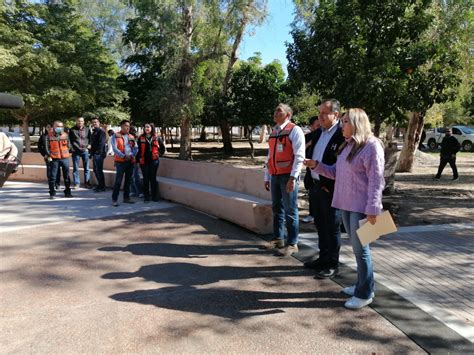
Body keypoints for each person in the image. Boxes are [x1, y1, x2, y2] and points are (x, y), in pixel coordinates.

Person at [304, 108, 384, 309]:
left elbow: (376, 181)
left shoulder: (372, 146)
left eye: (346, 121)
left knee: (361, 251)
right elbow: (335, 172)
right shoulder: (347, 146)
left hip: (361, 207)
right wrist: (316, 165)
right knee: (358, 251)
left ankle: (365, 293)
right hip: (345, 205)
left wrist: (373, 208)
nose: (342, 125)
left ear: (357, 123)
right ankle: (362, 285)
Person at [303, 99, 345, 279]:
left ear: (336, 114)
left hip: (331, 188)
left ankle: (332, 263)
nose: (319, 116)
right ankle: (323, 258)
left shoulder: (342, 135)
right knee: (320, 224)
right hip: (315, 186)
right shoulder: (318, 133)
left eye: (324, 113)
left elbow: (340, 166)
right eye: (319, 113)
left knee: (332, 227)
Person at [262, 103, 305, 257]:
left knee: (290, 210)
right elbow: (269, 156)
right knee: (276, 208)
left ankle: (292, 243)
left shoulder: (295, 130)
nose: (275, 112)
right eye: (275, 110)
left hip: (288, 176)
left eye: (279, 111)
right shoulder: (274, 131)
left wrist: (293, 177)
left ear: (288, 114)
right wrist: (267, 176)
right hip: (275, 175)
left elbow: (300, 156)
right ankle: (278, 239)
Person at [111, 119, 138, 206]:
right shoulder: (115, 136)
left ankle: (126, 198)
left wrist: (132, 155)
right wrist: (123, 155)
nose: (128, 128)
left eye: (129, 126)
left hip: (130, 161)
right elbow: (115, 149)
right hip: (120, 162)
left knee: (128, 180)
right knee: (118, 181)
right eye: (126, 126)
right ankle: (114, 199)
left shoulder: (131, 136)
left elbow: (135, 148)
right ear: (122, 126)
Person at [137, 123, 166, 202]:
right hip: (144, 161)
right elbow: (138, 150)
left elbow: (162, 148)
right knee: (145, 179)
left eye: (148, 127)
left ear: (152, 128)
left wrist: (158, 154)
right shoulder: (141, 138)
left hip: (154, 161)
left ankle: (154, 196)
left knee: (153, 178)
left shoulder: (157, 137)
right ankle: (146, 197)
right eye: (145, 127)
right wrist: (137, 160)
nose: (146, 128)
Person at [45, 121, 73, 199]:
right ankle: (52, 193)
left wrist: (68, 152)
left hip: (65, 158)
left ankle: (67, 191)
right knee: (53, 177)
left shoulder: (65, 135)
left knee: (66, 176)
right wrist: (49, 155)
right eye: (57, 126)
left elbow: (69, 145)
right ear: (53, 126)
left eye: (61, 126)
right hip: (54, 159)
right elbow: (46, 147)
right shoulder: (48, 136)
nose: (59, 128)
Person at [302, 116, 321, 224]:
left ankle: (318, 215)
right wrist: (310, 143)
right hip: (310, 170)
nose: (319, 127)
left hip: (322, 170)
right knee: (312, 193)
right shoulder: (308, 137)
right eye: (317, 125)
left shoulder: (324, 136)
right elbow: (300, 150)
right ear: (311, 127)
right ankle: (312, 214)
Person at [69, 116, 92, 189]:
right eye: (78, 121)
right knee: (76, 168)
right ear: (76, 121)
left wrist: (89, 145)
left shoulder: (87, 129)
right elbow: (69, 141)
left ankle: (87, 183)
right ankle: (77, 183)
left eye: (81, 121)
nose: (80, 122)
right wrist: (72, 149)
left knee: (87, 168)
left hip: (85, 150)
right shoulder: (72, 130)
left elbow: (90, 139)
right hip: (76, 151)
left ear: (83, 122)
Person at [38, 125, 61, 190]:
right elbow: (40, 147)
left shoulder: (56, 135)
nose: (49, 128)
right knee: (49, 169)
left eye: (50, 127)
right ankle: (51, 184)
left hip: (56, 155)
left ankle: (57, 183)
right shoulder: (43, 136)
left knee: (57, 170)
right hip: (48, 156)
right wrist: (44, 154)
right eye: (47, 127)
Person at [90, 117, 107, 192]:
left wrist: (98, 153)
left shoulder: (101, 132)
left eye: (95, 122)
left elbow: (102, 143)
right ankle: (100, 185)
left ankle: (102, 186)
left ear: (99, 123)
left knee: (99, 170)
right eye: (93, 122)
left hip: (99, 154)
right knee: (95, 170)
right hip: (95, 154)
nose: (94, 123)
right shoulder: (94, 131)